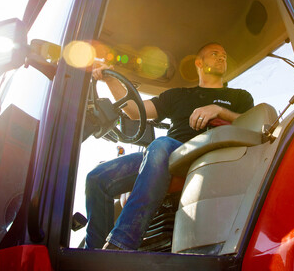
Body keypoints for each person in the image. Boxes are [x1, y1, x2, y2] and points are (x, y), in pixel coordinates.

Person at [84, 42, 254, 250]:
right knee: (97, 177)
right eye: (215, 54)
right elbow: (135, 111)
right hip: (168, 153)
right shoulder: (177, 95)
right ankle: (92, 254)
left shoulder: (239, 97)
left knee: (160, 144)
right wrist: (110, 79)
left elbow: (251, 124)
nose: (222, 58)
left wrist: (219, 111)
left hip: (205, 154)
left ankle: (121, 243)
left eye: (224, 55)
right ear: (199, 62)